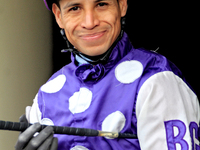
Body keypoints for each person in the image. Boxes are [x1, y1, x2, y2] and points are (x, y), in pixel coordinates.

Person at [15, 0, 200, 149]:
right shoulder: (45, 95)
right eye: (75, 8)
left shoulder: (156, 80)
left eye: (101, 4)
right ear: (58, 15)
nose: (90, 22)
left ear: (122, 5)